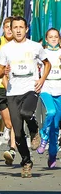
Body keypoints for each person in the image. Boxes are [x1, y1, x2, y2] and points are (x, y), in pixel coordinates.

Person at [0, 16, 50, 178]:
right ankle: (26, 162)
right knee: (17, 133)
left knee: (27, 113)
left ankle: (34, 130)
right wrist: (3, 72)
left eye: (21, 27)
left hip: (31, 89)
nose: (18, 30)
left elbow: (47, 64)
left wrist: (42, 79)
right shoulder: (5, 49)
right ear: (10, 30)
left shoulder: (35, 47)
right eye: (15, 27)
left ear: (26, 29)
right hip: (13, 93)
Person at [0, 17, 19, 165]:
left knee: (15, 120)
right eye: (7, 27)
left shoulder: (20, 44)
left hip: (16, 87)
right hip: (1, 88)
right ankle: (4, 144)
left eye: (12, 27)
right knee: (8, 123)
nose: (9, 30)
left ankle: (12, 149)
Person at [36, 28, 61, 168]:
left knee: (56, 126)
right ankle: (43, 135)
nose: (53, 39)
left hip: (60, 90)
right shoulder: (42, 53)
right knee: (50, 112)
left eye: (55, 37)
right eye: (50, 37)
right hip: (46, 88)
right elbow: (35, 68)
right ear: (46, 39)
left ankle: (52, 155)